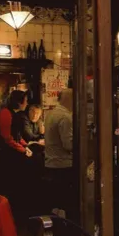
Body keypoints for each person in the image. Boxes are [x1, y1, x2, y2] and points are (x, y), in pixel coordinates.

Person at [45, 89, 76, 222]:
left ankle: (55, 228)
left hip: (51, 163)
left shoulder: (51, 114)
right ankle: (66, 231)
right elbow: (68, 145)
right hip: (63, 164)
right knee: (66, 202)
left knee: (56, 201)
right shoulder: (65, 117)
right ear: (68, 100)